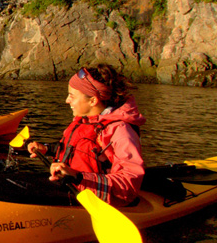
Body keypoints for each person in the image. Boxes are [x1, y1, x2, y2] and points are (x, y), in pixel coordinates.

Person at [27, 64, 146, 206]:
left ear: (93, 100)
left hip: (94, 199)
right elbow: (80, 151)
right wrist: (46, 149)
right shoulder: (85, 120)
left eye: (71, 96)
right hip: (70, 187)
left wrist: (78, 177)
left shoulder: (121, 132)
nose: (67, 100)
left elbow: (128, 185)